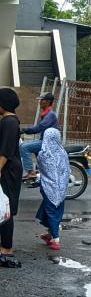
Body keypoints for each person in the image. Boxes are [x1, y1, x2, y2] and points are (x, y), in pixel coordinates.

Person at [35, 128, 70, 251]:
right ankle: (49, 235)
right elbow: (67, 170)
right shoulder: (63, 153)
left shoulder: (43, 154)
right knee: (53, 210)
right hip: (61, 189)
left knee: (51, 213)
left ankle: (56, 240)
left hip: (48, 187)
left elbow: (41, 169)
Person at [0, 88, 23, 268]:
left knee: (6, 208)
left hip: (9, 170)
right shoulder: (8, 120)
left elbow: (5, 152)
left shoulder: (9, 122)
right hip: (8, 168)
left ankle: (6, 249)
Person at [21, 93, 59, 180]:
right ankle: (42, 171)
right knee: (29, 145)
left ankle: (31, 172)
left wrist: (25, 130)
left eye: (42, 100)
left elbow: (40, 127)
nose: (40, 102)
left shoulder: (50, 114)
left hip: (48, 143)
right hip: (45, 141)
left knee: (24, 147)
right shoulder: (46, 114)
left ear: (48, 102)